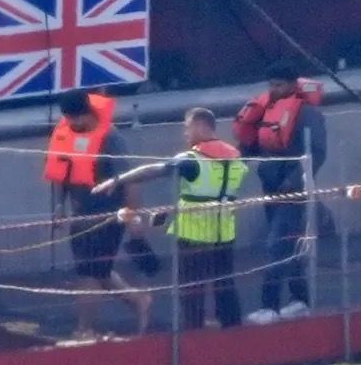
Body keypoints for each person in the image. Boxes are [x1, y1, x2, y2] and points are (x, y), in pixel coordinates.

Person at [93, 108, 247, 329]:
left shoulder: (192, 159)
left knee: (191, 289)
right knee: (225, 285)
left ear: (202, 126)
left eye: (188, 127)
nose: (185, 133)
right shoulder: (235, 156)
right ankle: (234, 332)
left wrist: (117, 180)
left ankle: (193, 335)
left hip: (194, 234)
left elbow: (154, 170)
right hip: (225, 231)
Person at [44, 90, 151, 337]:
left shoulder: (111, 138)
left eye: (74, 119)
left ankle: (85, 329)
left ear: (85, 114)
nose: (71, 124)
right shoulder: (67, 134)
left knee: (88, 274)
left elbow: (131, 179)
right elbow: (61, 172)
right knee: (97, 270)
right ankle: (139, 301)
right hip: (80, 214)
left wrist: (133, 214)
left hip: (108, 216)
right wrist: (60, 206)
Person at [234, 62, 326, 325]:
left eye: (279, 85)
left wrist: (295, 181)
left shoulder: (308, 113)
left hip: (292, 191)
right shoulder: (267, 110)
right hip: (270, 188)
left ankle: (269, 305)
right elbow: (254, 145)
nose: (274, 90)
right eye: (271, 85)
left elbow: (317, 152)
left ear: (292, 85)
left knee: (276, 243)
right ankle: (301, 300)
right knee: (287, 244)